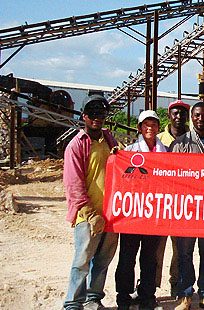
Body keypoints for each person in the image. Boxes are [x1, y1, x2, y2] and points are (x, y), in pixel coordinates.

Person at [63, 94, 119, 310]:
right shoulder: (77, 146)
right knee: (82, 261)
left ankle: (93, 298)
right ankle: (73, 302)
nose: (97, 118)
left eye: (101, 113)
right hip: (89, 215)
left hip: (110, 214)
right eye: (93, 114)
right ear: (84, 116)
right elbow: (73, 185)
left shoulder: (109, 140)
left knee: (103, 261)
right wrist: (90, 214)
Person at [169, 102, 204, 310]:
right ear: (192, 117)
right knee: (184, 254)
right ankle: (185, 294)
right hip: (187, 210)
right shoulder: (180, 144)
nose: (201, 119)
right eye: (197, 115)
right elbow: (170, 176)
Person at [115, 110, 166, 310]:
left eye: (153, 124)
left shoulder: (166, 152)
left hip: (154, 214)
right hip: (133, 214)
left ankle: (147, 294)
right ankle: (123, 296)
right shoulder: (130, 151)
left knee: (149, 257)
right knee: (127, 257)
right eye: (146, 124)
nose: (150, 128)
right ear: (139, 128)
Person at [156, 99, 190, 293]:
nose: (179, 117)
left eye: (182, 114)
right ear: (169, 116)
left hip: (183, 204)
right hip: (161, 203)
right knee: (156, 248)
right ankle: (150, 286)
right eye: (175, 114)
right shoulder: (158, 140)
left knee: (181, 250)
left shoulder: (193, 140)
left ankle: (176, 282)